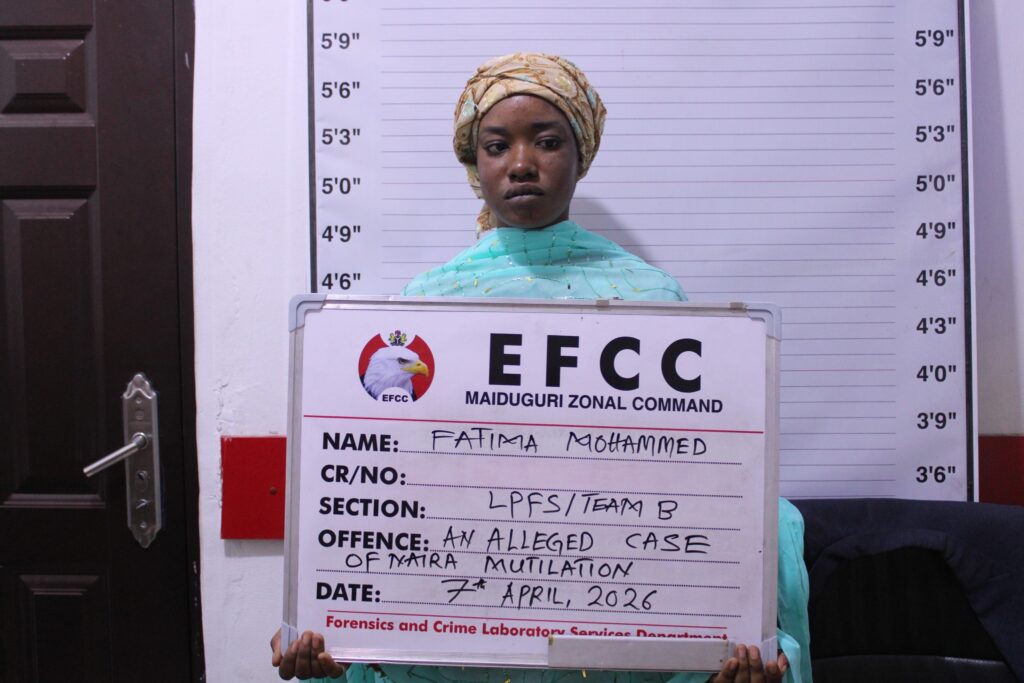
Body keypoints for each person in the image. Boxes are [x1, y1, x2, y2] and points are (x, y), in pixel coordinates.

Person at [274, 53, 810, 683]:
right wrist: (337, 627)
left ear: (581, 154)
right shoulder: (426, 304)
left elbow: (688, 476)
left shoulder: (654, 299)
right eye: (497, 146)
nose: (522, 164)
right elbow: (401, 481)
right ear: (474, 163)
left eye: (547, 142)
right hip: (464, 631)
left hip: (616, 611)